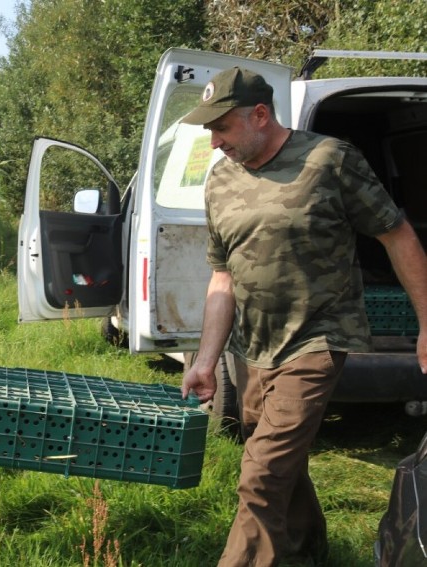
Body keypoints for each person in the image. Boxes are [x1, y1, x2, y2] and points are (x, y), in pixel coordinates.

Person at [180, 67, 427, 566]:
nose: (214, 142)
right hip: (253, 347)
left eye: (221, 128)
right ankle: (309, 548)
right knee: (277, 465)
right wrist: (205, 361)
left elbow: (396, 234)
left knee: (261, 476)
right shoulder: (220, 180)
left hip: (317, 339)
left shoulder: (328, 160)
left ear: (260, 115)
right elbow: (222, 277)